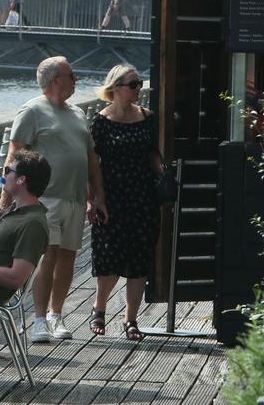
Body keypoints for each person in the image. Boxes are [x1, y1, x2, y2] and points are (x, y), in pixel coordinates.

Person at [0, 56, 107, 343]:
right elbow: (14, 155)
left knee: (68, 257)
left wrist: (98, 196)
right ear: (55, 80)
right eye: (72, 75)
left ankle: (57, 315)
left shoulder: (78, 114)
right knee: (49, 255)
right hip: (45, 197)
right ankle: (39, 319)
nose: (76, 80)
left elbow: (90, 159)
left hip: (73, 197)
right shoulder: (32, 110)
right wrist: (4, 199)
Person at [88, 64, 161, 341]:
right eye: (133, 84)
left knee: (139, 258)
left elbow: (153, 153)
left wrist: (163, 175)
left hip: (143, 196)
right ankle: (100, 307)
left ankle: (131, 319)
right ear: (116, 88)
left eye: (139, 84)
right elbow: (92, 163)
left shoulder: (147, 117)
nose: (138, 89)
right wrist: (93, 199)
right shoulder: (100, 121)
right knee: (109, 256)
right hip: (112, 197)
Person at [0, 148, 50, 305]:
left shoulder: (32, 224)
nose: (3, 175)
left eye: (7, 171)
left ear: (21, 179)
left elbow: (15, 278)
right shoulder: (16, 210)